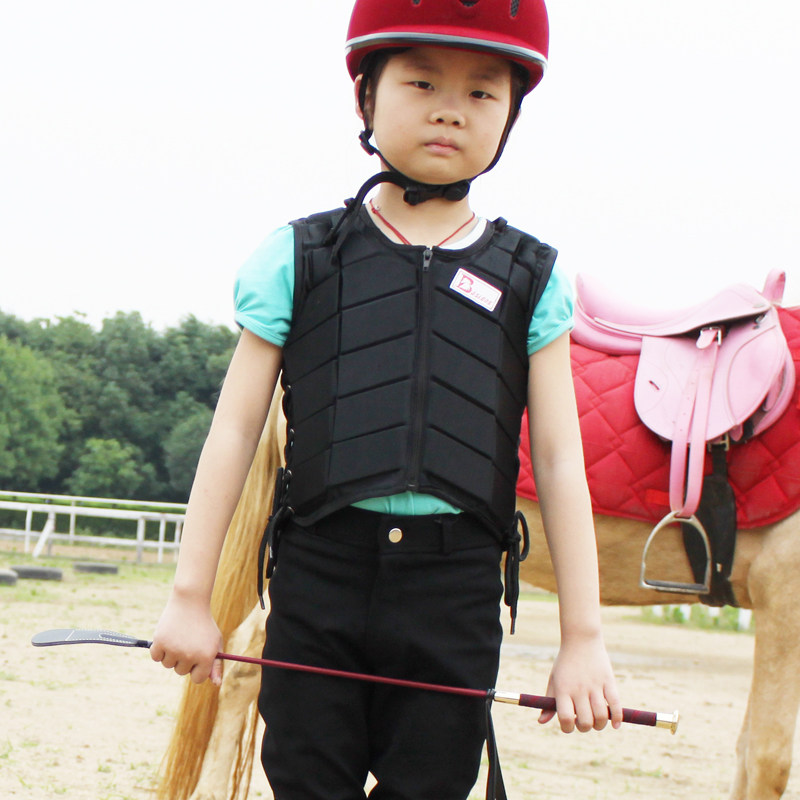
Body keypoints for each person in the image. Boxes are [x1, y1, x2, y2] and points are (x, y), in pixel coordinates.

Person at [151, 0, 623, 797]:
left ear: (511, 113)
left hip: (455, 595)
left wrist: (583, 638)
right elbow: (233, 431)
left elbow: (557, 459)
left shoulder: (534, 280)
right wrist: (190, 598)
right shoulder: (300, 256)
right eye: (422, 82)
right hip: (318, 582)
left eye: (482, 91)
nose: (450, 109)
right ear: (365, 94)